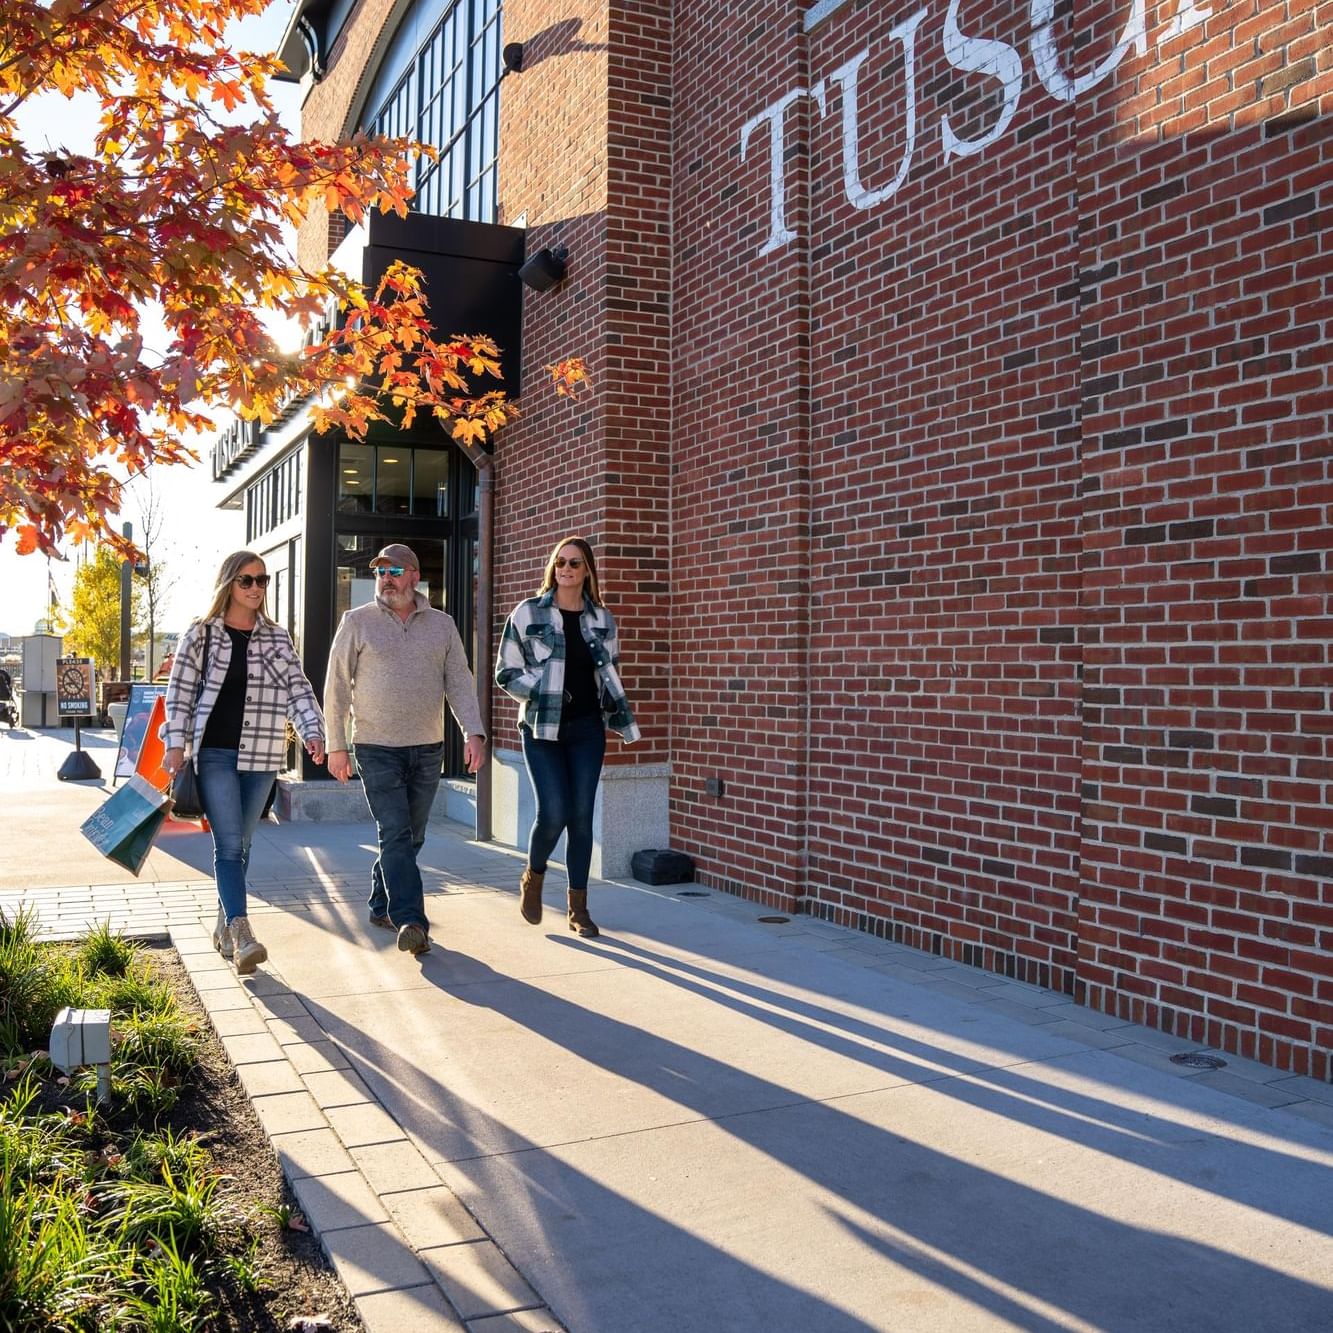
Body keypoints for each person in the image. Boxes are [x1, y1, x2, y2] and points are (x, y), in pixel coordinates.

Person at [162, 551, 327, 974]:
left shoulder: (276, 637)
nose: (256, 588)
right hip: (213, 753)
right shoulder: (201, 634)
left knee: (245, 844)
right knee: (230, 844)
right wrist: (174, 744)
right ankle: (242, 931)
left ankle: (222, 929)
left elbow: (298, 688)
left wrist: (312, 730)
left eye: (262, 580)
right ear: (228, 585)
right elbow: (179, 693)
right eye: (247, 581)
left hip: (263, 754)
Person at [324, 543, 486, 957]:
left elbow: (460, 682)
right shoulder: (356, 622)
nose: (386, 578)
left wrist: (474, 732)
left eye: (395, 570)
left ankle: (381, 903)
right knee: (395, 832)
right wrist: (336, 745)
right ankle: (412, 920)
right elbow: (337, 687)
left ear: (414, 576)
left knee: (410, 838)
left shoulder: (443, 624)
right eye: (380, 571)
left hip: (428, 748)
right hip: (375, 747)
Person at [495, 535, 639, 938]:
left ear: (587, 570)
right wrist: (542, 689)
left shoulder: (602, 620)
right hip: (541, 728)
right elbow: (505, 671)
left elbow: (610, 674)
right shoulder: (527, 613)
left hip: (587, 729)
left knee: (581, 817)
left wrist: (619, 714)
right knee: (554, 812)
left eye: (575, 563)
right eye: (560, 562)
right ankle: (533, 877)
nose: (566, 570)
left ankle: (579, 908)